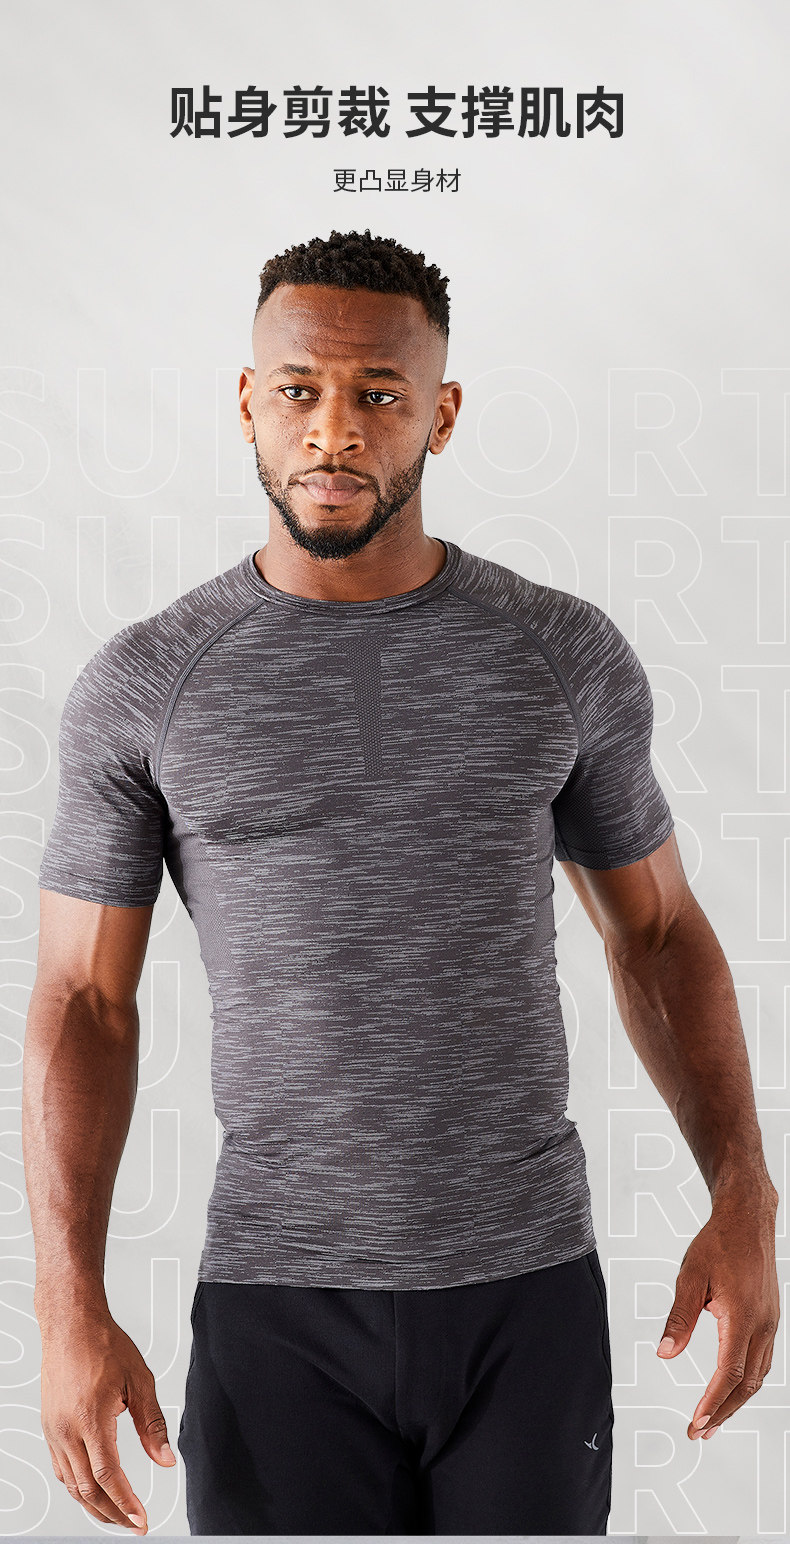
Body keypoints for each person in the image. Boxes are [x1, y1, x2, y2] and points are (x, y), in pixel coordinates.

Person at [24, 228, 779, 1537]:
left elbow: (655, 933)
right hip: (276, 1304)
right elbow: (85, 1002)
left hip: (524, 1295)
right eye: (298, 390)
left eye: (379, 393)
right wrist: (66, 1309)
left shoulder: (556, 652)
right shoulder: (148, 685)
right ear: (246, 401)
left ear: (442, 412)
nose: (333, 429)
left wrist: (743, 1196)